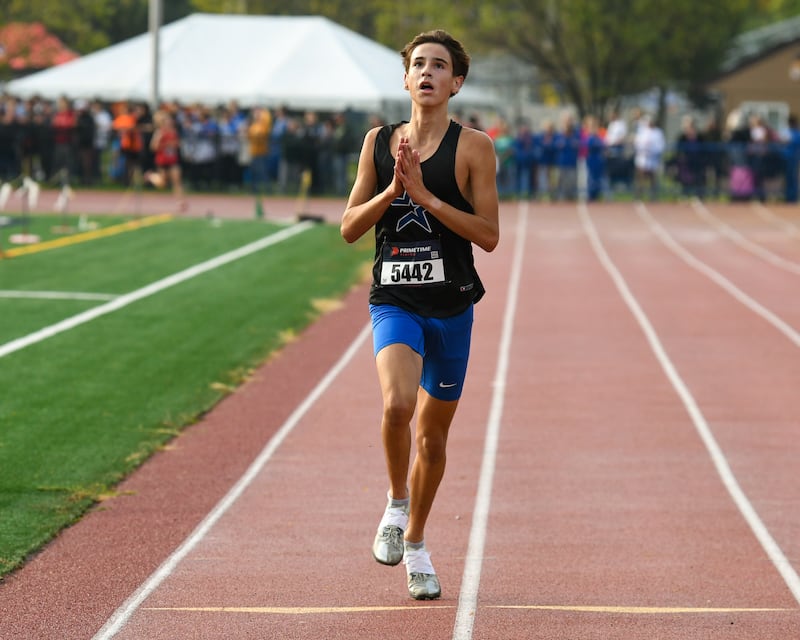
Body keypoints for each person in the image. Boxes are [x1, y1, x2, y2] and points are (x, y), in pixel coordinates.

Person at [340, 29, 499, 601]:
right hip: (396, 300)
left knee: (432, 441)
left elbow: (490, 236)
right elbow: (349, 227)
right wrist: (392, 191)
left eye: (439, 66)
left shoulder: (474, 147)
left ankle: (418, 544)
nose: (427, 73)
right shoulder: (379, 142)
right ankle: (395, 503)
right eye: (418, 65)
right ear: (405, 79)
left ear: (456, 83)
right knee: (397, 404)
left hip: (452, 306)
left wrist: (429, 198)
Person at [144, 109, 186, 211]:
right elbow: (153, 147)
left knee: (177, 180)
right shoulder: (159, 133)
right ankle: (150, 176)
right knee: (162, 183)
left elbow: (178, 144)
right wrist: (164, 144)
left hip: (173, 160)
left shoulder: (173, 132)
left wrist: (174, 144)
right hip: (162, 161)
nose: (169, 122)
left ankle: (180, 202)